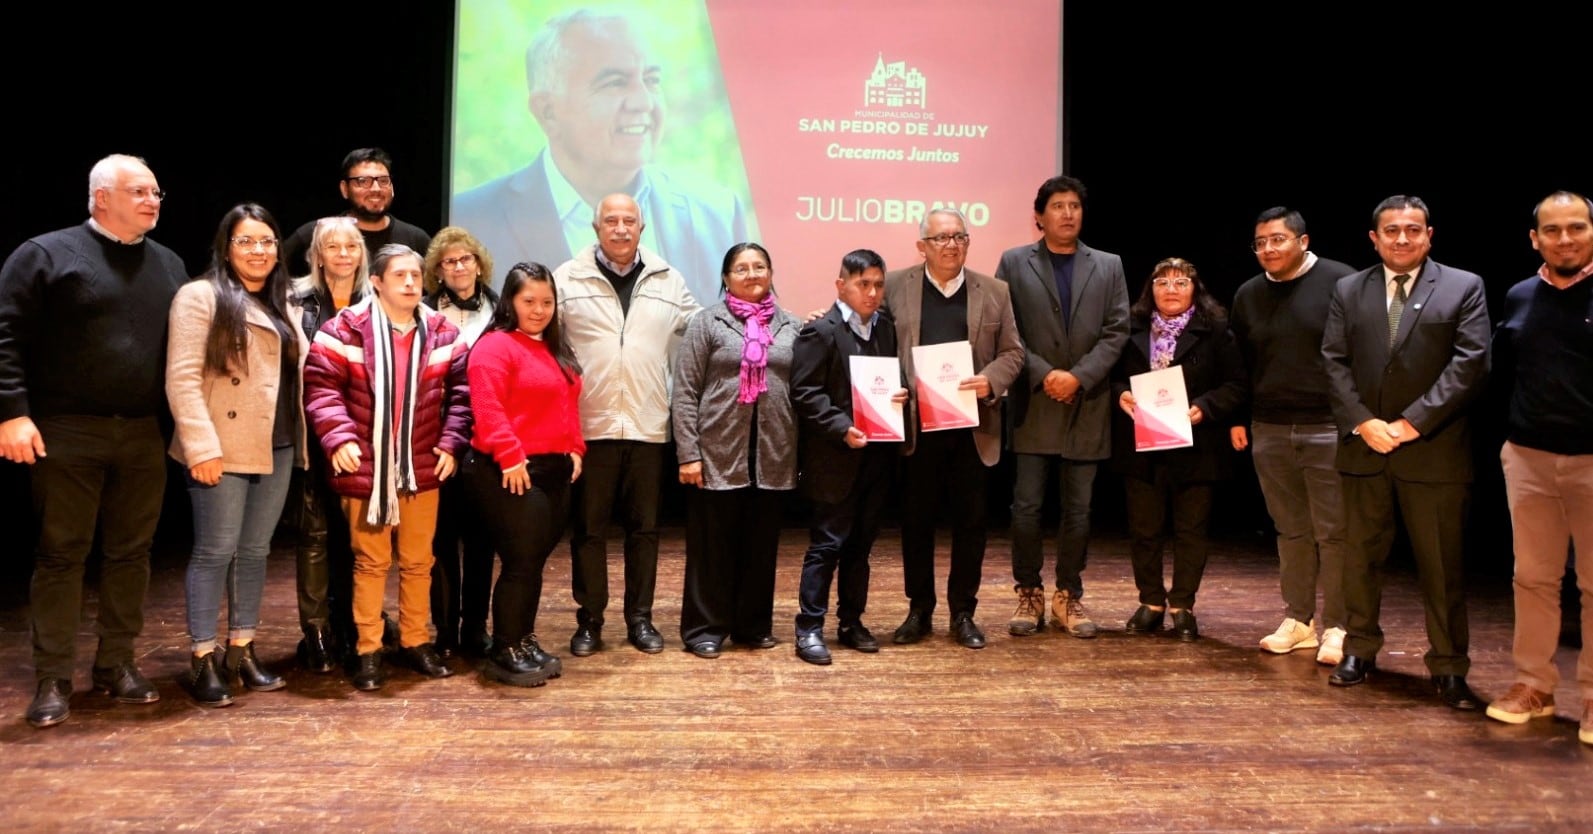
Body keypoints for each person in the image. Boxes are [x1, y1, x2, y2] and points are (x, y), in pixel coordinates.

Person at [0, 154, 184, 729]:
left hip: (142, 432)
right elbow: (5, 336)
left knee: (131, 554)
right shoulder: (44, 254)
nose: (153, 200)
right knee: (61, 555)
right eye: (140, 192)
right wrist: (12, 414)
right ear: (102, 197)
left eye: (156, 192)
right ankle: (53, 677)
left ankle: (116, 664)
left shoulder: (170, 264)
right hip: (66, 430)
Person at [451, 8, 747, 302]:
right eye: (615, 83)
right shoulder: (473, 220)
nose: (643, 101)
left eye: (652, 80)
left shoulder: (716, 212)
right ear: (548, 111)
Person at [1321, 195, 1489, 711]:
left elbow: (1471, 362)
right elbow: (1332, 360)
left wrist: (1411, 423)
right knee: (1360, 559)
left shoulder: (1464, 286)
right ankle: (1360, 649)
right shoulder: (1349, 289)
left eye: (1412, 230)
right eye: (1390, 230)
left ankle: (1448, 666)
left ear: (1429, 235)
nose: (1401, 238)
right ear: (1374, 238)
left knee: (1441, 566)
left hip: (1433, 450)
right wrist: (1364, 422)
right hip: (1365, 446)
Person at [304, 244, 473, 692]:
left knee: (419, 561)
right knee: (371, 561)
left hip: (420, 466)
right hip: (366, 467)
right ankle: (368, 650)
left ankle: (416, 641)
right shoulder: (342, 330)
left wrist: (452, 443)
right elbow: (321, 388)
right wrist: (337, 437)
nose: (411, 283)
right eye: (399, 275)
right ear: (376, 281)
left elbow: (462, 394)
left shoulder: (442, 332)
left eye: (416, 276)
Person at [165, 203, 309, 707]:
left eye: (267, 241)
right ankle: (202, 655)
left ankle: (241, 649)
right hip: (220, 447)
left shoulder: (283, 301)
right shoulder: (200, 296)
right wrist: (201, 446)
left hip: (278, 442)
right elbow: (182, 378)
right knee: (214, 551)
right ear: (227, 247)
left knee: (254, 552)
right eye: (247, 241)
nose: (259, 251)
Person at [554, 193, 701, 657]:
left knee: (645, 531)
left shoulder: (668, 278)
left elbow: (702, 328)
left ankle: (640, 619)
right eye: (611, 221)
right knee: (589, 531)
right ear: (596, 228)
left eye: (629, 221)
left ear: (642, 228)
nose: (620, 228)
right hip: (589, 426)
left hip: (647, 425)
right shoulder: (566, 277)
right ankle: (591, 621)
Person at [884, 208, 1025, 650]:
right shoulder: (894, 286)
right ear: (921, 245)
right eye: (941, 238)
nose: (951, 245)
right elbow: (870, 337)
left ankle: (963, 612)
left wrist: (991, 381)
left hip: (973, 428)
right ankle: (919, 610)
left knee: (971, 524)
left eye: (959, 237)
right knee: (916, 523)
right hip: (917, 428)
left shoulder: (995, 291)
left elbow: (1014, 353)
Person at [997, 175, 1129, 639]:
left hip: (1086, 403)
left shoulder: (1109, 265)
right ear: (1039, 215)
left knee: (1080, 510)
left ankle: (1068, 595)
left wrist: (1079, 376)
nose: (1067, 213)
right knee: (1027, 507)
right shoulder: (1014, 262)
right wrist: (1044, 372)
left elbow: (1117, 330)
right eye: (1057, 206)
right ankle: (1028, 592)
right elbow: (1004, 329)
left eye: (1074, 205)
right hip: (1034, 402)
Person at [1484, 191, 1593, 746]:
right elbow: (1505, 372)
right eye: (1552, 230)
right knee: (1533, 578)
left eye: (1576, 227)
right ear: (1535, 239)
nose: (1565, 238)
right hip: (1528, 458)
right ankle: (1535, 685)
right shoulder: (1521, 295)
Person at [1230, 207, 1357, 664]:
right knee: (1291, 530)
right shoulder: (1247, 295)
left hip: (1328, 426)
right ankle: (1300, 619)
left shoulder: (1343, 283)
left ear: (1303, 241)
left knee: (1335, 532)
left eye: (1278, 239)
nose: (1268, 249)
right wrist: (1238, 417)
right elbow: (1241, 366)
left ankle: (1339, 624)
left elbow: (1357, 356)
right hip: (1269, 428)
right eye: (1260, 242)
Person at [672, 243, 799, 658]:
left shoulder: (792, 327)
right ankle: (704, 629)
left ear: (771, 272)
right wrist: (688, 453)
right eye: (741, 268)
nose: (751, 274)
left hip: (772, 455)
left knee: (760, 548)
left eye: (759, 266)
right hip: (715, 453)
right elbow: (686, 392)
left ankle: (752, 625)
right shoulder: (706, 323)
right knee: (713, 549)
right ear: (726, 278)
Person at [1112, 258, 1246, 641]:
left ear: (1194, 288)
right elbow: (1112, 377)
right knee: (1144, 528)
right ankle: (1151, 601)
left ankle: (1183, 604)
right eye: (1162, 282)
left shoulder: (1216, 329)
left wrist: (1204, 407)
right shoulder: (1131, 327)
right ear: (1150, 289)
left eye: (1181, 282)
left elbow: (1236, 384)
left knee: (1191, 530)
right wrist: (1121, 395)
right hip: (1142, 445)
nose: (1171, 289)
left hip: (1197, 445)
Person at [465, 262, 585, 687]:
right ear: (510, 302)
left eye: (547, 301)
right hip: (511, 468)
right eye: (528, 301)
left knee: (533, 561)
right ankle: (503, 651)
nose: (539, 310)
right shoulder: (495, 347)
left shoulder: (553, 347)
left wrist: (575, 448)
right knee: (520, 561)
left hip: (554, 468)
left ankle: (522, 639)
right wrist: (512, 457)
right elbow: (487, 407)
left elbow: (566, 402)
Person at [789, 249, 906, 665]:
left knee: (861, 547)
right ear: (841, 286)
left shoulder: (887, 329)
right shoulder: (819, 331)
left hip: (877, 457)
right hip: (835, 459)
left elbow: (890, 380)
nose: (873, 293)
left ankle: (851, 621)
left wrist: (900, 395)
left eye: (878, 285)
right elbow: (804, 392)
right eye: (863, 284)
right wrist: (842, 428)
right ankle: (809, 629)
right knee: (826, 545)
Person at [288, 216, 370, 672]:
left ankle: (357, 621)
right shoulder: (293, 300)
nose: (342, 254)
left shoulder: (377, 299)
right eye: (332, 247)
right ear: (317, 255)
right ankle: (317, 632)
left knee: (360, 536)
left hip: (365, 437)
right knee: (316, 533)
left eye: (351, 246)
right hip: (311, 433)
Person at [422, 227, 500, 659]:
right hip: (438, 436)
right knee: (441, 539)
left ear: (478, 262)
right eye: (449, 261)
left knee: (482, 538)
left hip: (487, 435)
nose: (458, 267)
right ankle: (445, 630)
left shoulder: (501, 309)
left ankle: (475, 627)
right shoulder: (424, 311)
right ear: (438, 269)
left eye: (465, 259)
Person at [281, 148, 432, 276]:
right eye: (363, 181)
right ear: (344, 189)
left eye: (383, 181)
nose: (375, 189)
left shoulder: (416, 239)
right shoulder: (315, 233)